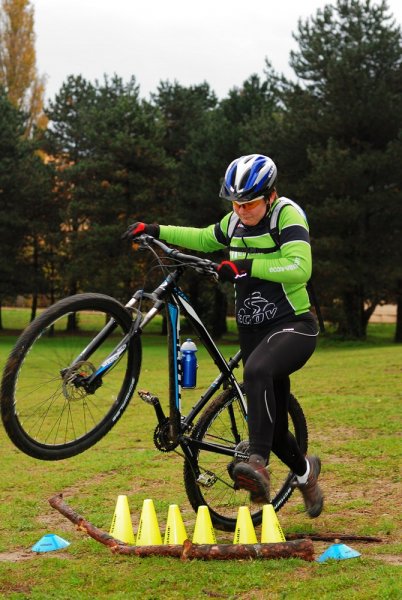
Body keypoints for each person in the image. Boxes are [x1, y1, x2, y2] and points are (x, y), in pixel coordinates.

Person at [125, 154, 323, 518]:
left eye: (248, 203)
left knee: (258, 371)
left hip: (293, 325)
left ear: (270, 195)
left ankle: (256, 464)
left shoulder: (286, 215)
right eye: (235, 203)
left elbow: (300, 267)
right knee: (277, 431)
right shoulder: (234, 222)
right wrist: (155, 229)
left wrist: (244, 267)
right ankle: (307, 474)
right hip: (254, 330)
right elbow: (202, 237)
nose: (241, 210)